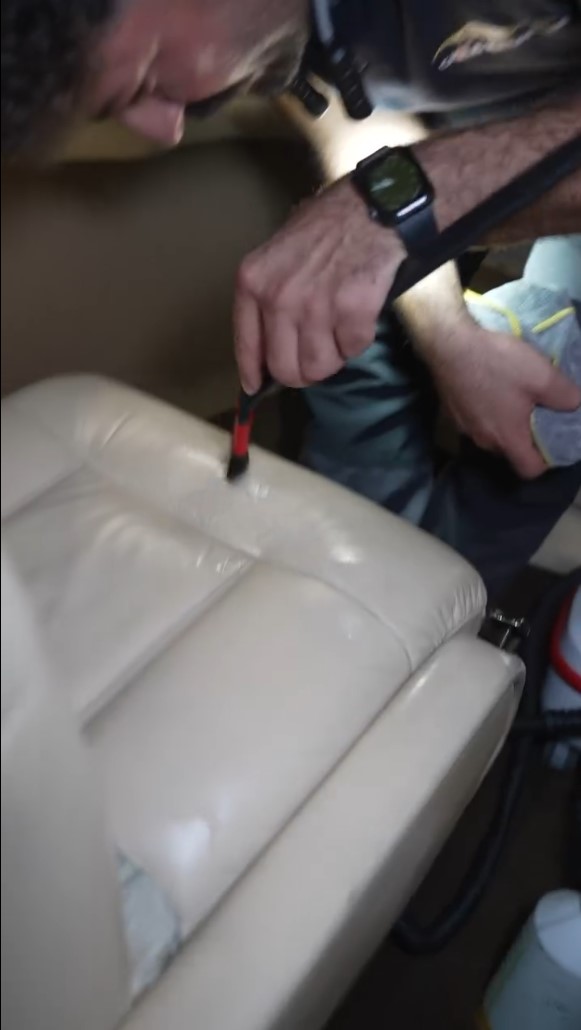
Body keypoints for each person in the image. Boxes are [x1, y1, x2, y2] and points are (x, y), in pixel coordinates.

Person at [2, 0, 580, 596]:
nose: (167, 129)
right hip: (447, 173)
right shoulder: (279, 31)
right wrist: (448, 333)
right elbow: (356, 119)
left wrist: (392, 206)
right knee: (344, 381)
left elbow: (394, 193)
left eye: (147, 78)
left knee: (550, 412)